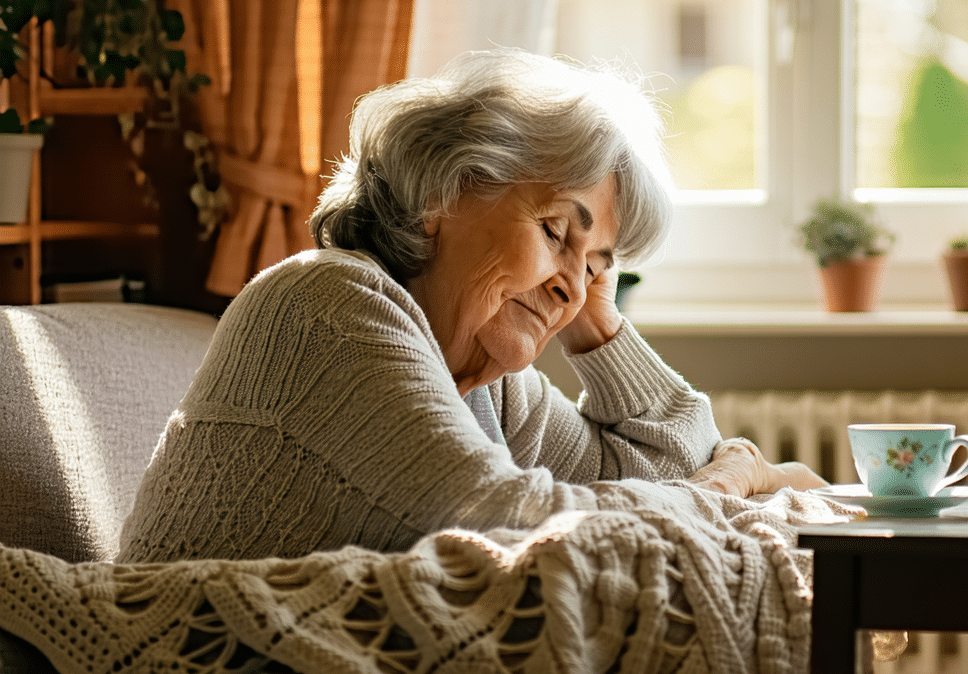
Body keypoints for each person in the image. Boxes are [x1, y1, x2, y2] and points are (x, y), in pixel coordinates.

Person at [118, 48, 827, 563]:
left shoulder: (489, 387)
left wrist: (594, 317)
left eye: (599, 269)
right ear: (441, 193)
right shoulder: (327, 308)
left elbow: (666, 479)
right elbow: (525, 528)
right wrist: (732, 481)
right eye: (555, 231)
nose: (573, 288)